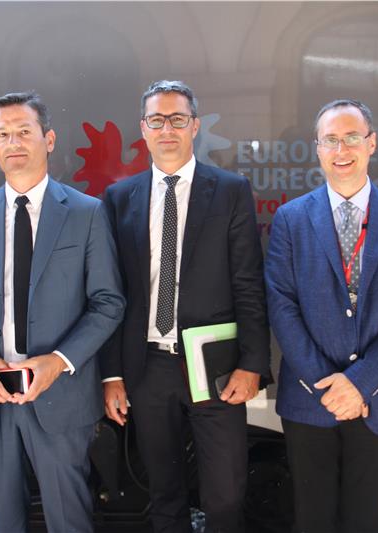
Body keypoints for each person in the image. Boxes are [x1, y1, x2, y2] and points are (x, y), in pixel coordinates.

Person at [0, 91, 124, 533]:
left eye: (24, 131)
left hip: (59, 395)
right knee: (4, 522)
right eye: (3, 134)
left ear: (49, 139)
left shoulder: (86, 213)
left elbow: (108, 302)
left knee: (69, 520)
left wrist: (58, 362)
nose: (13, 142)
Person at [101, 80, 270, 533]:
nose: (167, 129)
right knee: (163, 491)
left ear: (194, 126)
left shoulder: (230, 190)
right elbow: (111, 293)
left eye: (177, 119)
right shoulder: (120, 198)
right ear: (143, 128)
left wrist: (252, 363)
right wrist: (112, 374)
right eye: (157, 120)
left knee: (226, 494)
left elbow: (248, 282)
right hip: (147, 367)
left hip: (216, 365)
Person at [265, 99, 378, 532]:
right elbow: (282, 305)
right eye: (331, 140)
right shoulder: (290, 219)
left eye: (352, 137)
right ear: (317, 148)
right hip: (310, 396)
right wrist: (327, 383)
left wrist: (359, 383)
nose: (342, 150)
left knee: (365, 517)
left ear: (372, 143)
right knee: (312, 518)